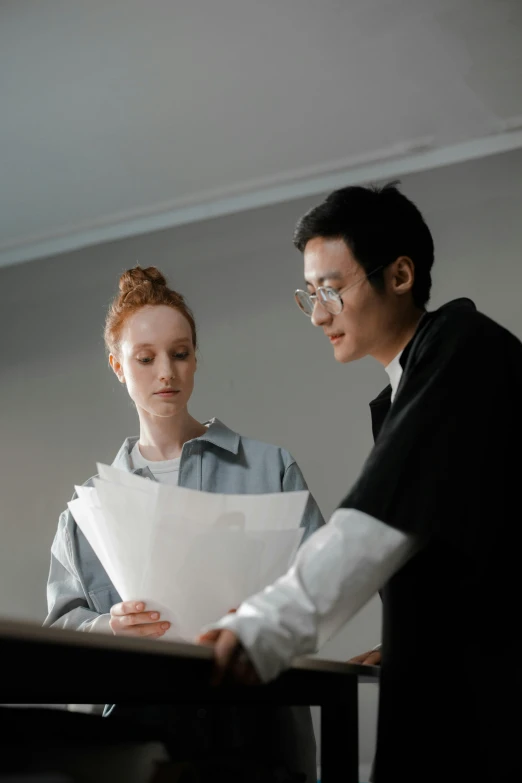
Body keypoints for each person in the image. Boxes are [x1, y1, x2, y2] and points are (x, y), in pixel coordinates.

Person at [200, 183, 522, 782]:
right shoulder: (407, 388)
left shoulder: (462, 347)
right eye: (309, 294)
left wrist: (264, 629)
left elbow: (378, 525)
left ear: (399, 275)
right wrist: (414, 642)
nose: (318, 314)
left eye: (331, 290)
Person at [44, 265, 324, 783]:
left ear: (196, 358)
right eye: (145, 359)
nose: (166, 373)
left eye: (180, 353)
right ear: (117, 367)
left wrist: (261, 617)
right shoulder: (89, 508)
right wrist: (110, 626)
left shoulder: (269, 467)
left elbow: (320, 585)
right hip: (139, 737)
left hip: (259, 729)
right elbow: (61, 631)